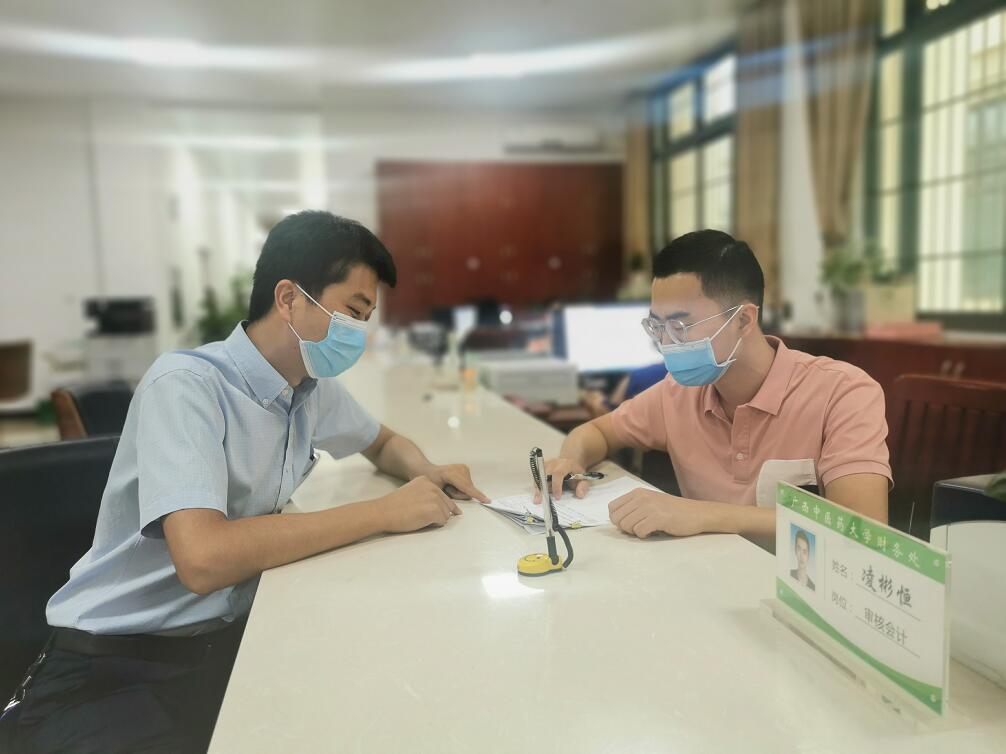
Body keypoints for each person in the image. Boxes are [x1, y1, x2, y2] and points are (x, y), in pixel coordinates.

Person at [1, 211, 488, 754]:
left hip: (217, 646)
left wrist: (425, 470)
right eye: (352, 313)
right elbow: (203, 559)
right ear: (289, 298)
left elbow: (381, 441)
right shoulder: (187, 386)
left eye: (366, 319)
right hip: (114, 665)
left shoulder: (309, 385)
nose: (358, 334)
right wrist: (384, 512)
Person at [542, 230, 890, 547]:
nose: (666, 344)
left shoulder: (843, 392)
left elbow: (863, 530)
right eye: (657, 327)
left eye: (681, 326)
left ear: (743, 319)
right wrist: (572, 459)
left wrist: (702, 514)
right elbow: (596, 431)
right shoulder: (677, 393)